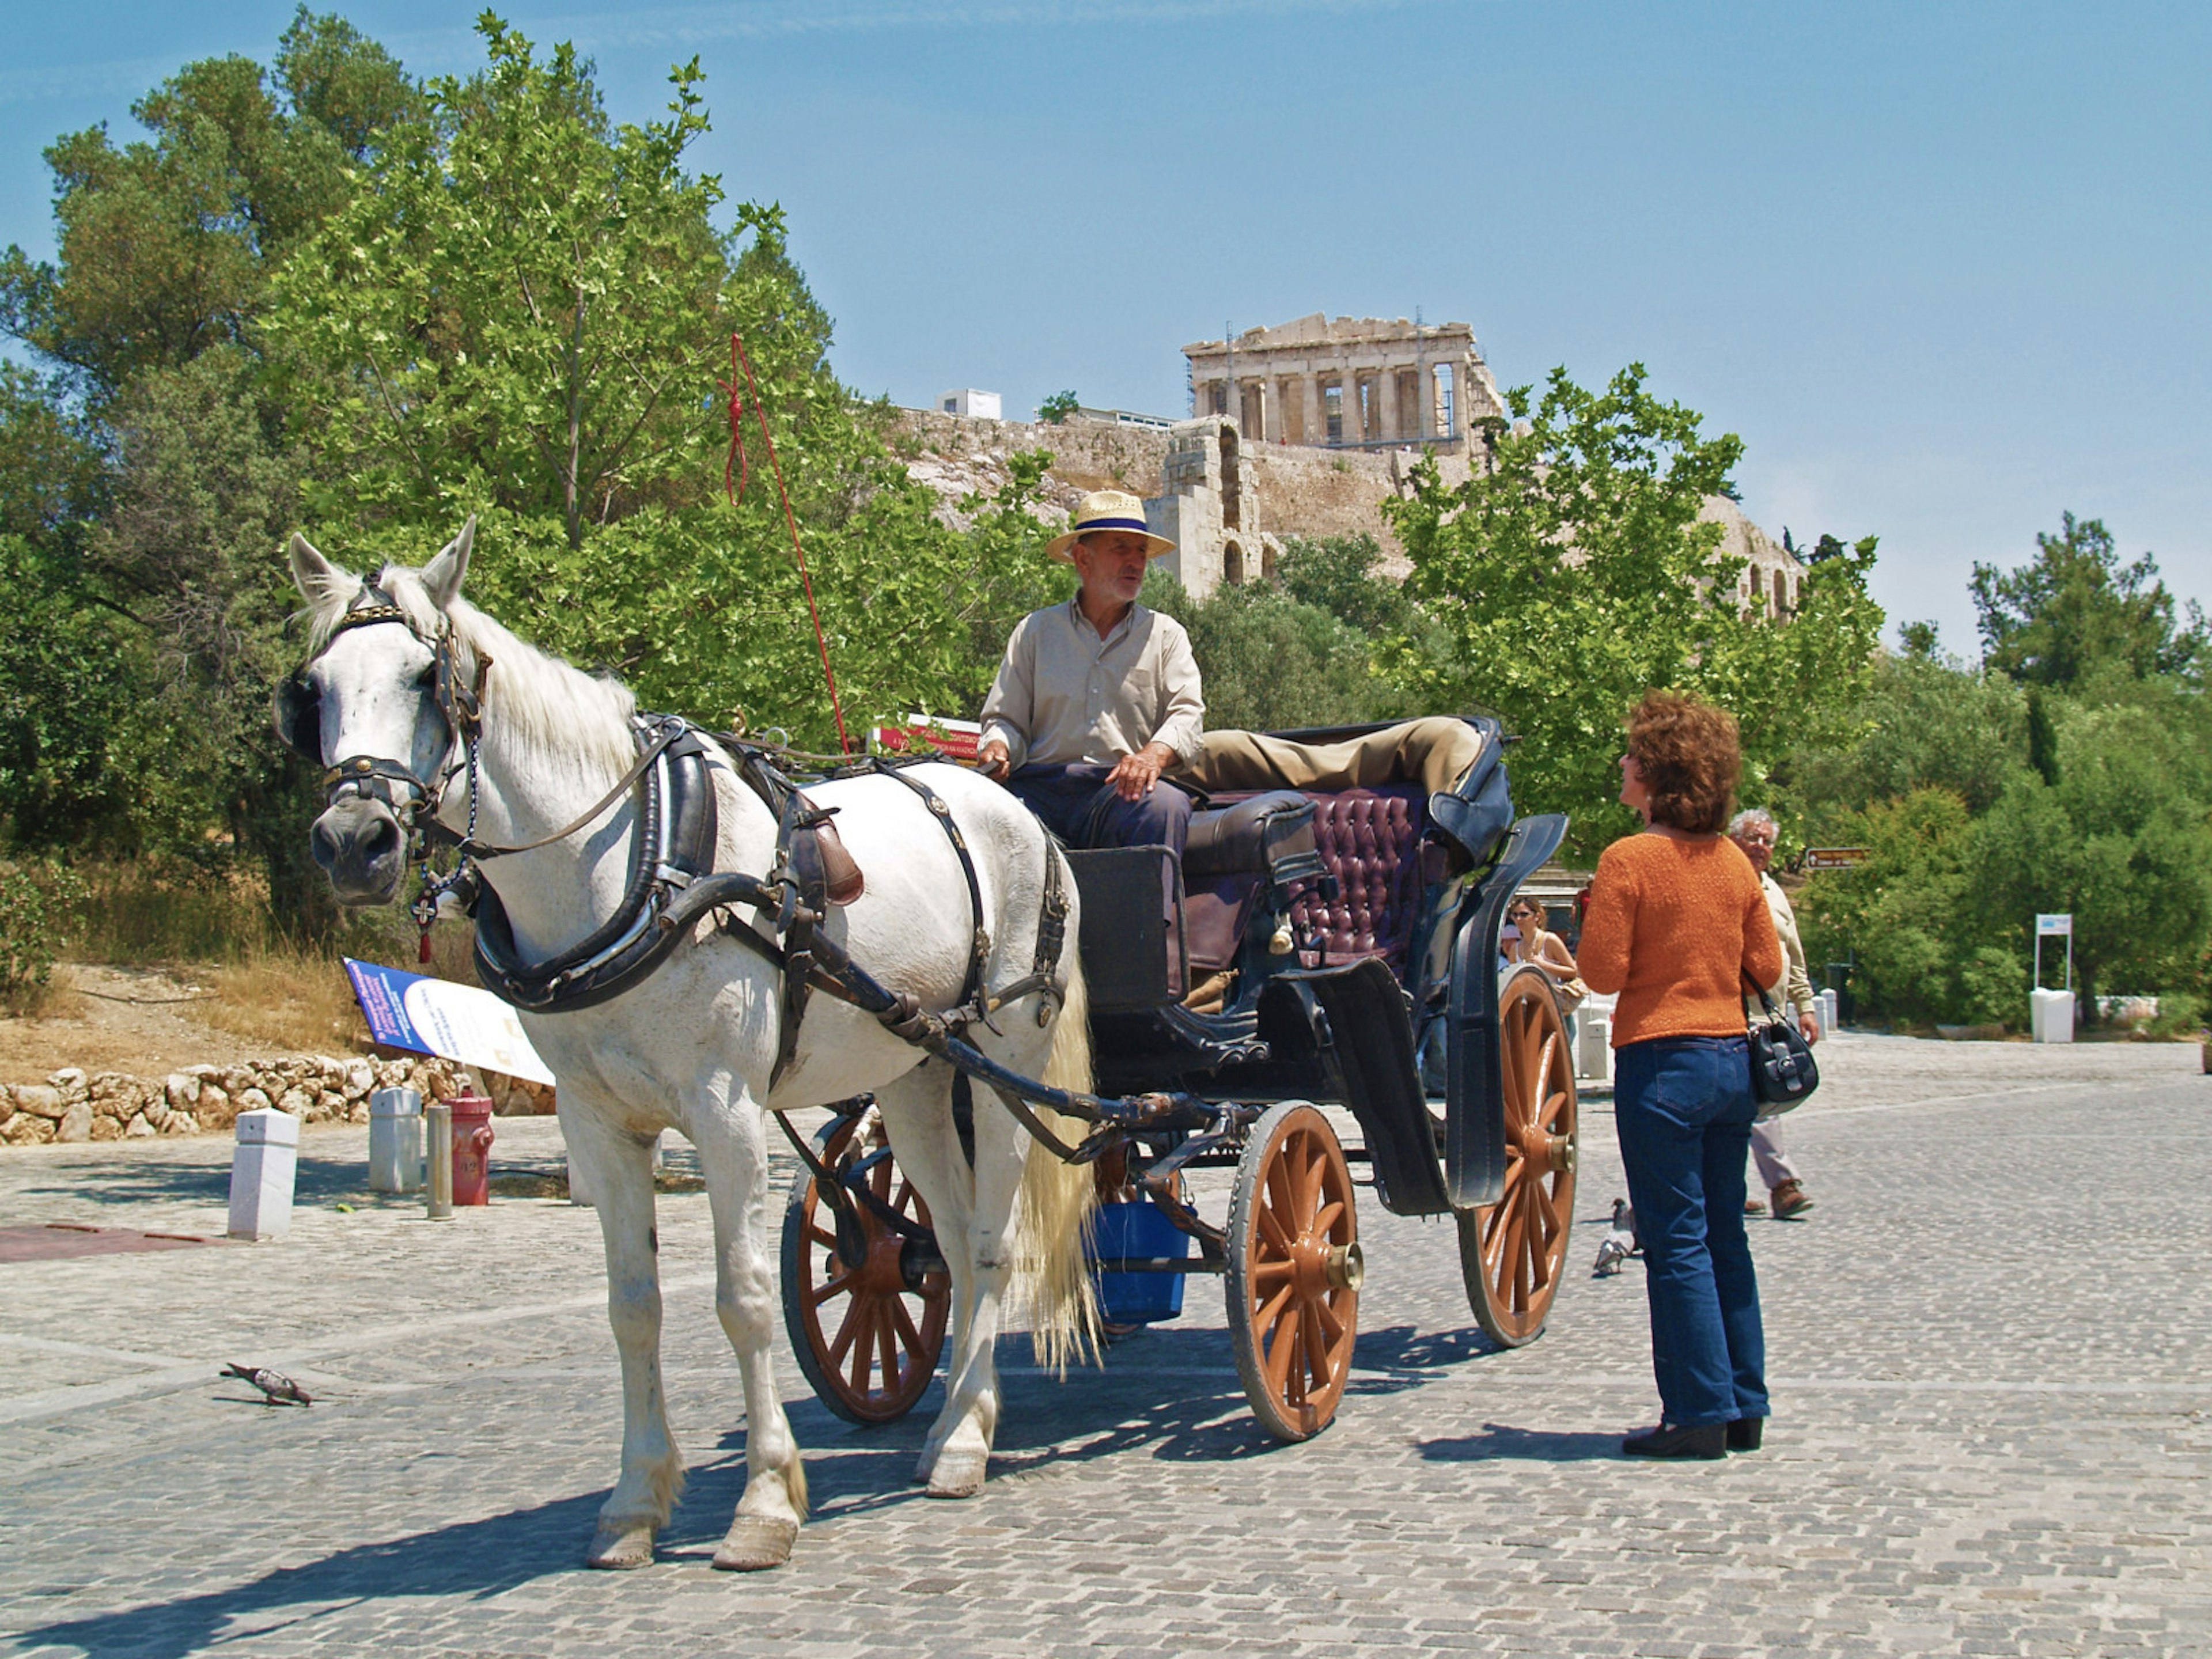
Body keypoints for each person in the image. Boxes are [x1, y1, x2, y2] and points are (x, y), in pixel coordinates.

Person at [1577, 692, 1784, 1460]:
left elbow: (1601, 971)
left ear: (1658, 774)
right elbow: (1766, 965)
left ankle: (1696, 1411)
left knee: (1677, 1242)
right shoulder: (1733, 862)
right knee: (1727, 1233)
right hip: (1732, 1063)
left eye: (1633, 755)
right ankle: (1744, 1404)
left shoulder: (1629, 861)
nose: (1623, 764)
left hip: (1662, 1064)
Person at [976, 490, 1204, 854]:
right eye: (1120, 549)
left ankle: (1149, 914)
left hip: (1122, 790)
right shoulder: (1036, 631)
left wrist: (1151, 756)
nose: (1135, 563)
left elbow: (1187, 716)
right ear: (1083, 559)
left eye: (1141, 552)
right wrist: (998, 746)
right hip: (1040, 791)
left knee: (1165, 807)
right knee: (970, 813)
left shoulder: (1166, 636)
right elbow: (1007, 720)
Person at [1728, 808, 1819, 1220]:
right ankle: (1782, 1185)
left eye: (1767, 841)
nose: (1761, 846)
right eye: (1753, 838)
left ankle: (1734, 1186)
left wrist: (1806, 1007)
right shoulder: (1723, 884)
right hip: (1731, 1013)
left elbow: (1793, 955)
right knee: (1755, 1099)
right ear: (1733, 840)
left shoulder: (1775, 892)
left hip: (1771, 1017)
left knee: (1762, 1098)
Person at [1503, 897, 1588, 1037]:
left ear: (1537, 917)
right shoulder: (1515, 949)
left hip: (1554, 1009)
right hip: (1528, 1013)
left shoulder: (1550, 940)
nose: (1519, 919)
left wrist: (1543, 965)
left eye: (1524, 914)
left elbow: (1573, 971)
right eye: (1515, 915)